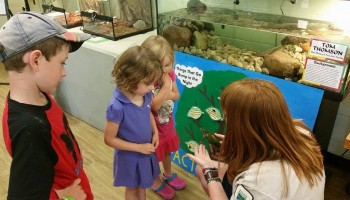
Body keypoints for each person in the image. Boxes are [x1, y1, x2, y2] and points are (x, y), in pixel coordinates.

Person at [0, 12, 93, 200]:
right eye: (62, 63)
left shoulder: (41, 96)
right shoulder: (29, 128)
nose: (64, 72)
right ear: (35, 61)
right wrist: (61, 196)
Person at [187, 79, 325, 200]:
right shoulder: (301, 131)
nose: (225, 120)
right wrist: (239, 145)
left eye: (227, 115)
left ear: (243, 125)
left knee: (203, 170)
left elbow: (259, 184)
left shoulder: (257, 183)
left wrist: (209, 171)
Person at [103, 45, 163, 200]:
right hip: (129, 156)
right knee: (131, 189)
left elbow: (147, 111)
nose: (152, 87)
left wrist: (154, 131)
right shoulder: (116, 106)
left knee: (143, 184)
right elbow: (109, 139)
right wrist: (138, 148)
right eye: (149, 83)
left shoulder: (146, 94)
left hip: (145, 152)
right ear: (131, 78)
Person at [142, 35, 186, 200]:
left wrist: (166, 91)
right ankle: (155, 180)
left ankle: (168, 173)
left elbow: (177, 95)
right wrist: (166, 86)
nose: (165, 70)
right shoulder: (147, 81)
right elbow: (154, 105)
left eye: (167, 65)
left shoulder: (171, 74)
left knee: (167, 150)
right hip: (151, 128)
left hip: (167, 122)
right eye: (160, 67)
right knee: (153, 156)